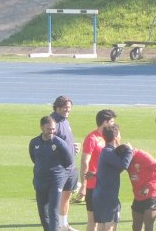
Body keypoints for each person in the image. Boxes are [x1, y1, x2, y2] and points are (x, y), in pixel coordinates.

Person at [32, 115, 76, 231]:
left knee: (53, 210)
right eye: (48, 129)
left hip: (55, 181)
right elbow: (34, 159)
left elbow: (69, 161)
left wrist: (58, 172)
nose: (51, 131)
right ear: (41, 127)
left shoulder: (59, 143)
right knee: (43, 212)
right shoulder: (34, 143)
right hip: (40, 181)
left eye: (53, 129)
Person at [94, 124, 136, 231]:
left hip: (101, 194)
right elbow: (124, 165)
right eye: (119, 135)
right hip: (108, 196)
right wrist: (129, 150)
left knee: (102, 225)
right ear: (116, 137)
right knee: (110, 225)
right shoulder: (108, 152)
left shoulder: (106, 151)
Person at [83, 109, 119, 231]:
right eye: (112, 121)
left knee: (105, 221)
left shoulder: (109, 137)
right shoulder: (92, 138)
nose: (113, 124)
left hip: (106, 186)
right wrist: (83, 186)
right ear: (105, 122)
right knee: (93, 221)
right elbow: (84, 162)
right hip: (93, 186)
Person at [51, 95, 80, 231]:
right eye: (65, 107)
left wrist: (72, 148)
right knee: (56, 197)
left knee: (66, 196)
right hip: (60, 167)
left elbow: (62, 142)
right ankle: (55, 225)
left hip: (70, 166)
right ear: (57, 107)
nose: (68, 110)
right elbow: (50, 145)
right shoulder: (52, 122)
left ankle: (63, 225)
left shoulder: (64, 120)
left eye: (69, 108)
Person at [128, 146, 156, 231]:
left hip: (152, 195)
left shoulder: (143, 156)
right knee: (136, 226)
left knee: (148, 224)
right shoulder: (124, 159)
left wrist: (148, 185)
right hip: (138, 196)